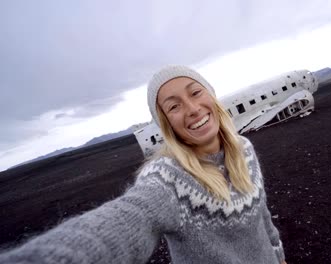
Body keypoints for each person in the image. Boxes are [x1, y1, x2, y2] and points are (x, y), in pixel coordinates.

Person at [0, 65, 287, 264]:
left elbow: (263, 219)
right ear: (167, 124)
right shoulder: (168, 179)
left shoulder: (244, 150)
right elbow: (128, 219)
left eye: (196, 92)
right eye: (174, 106)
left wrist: (279, 254)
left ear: (211, 95)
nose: (192, 109)